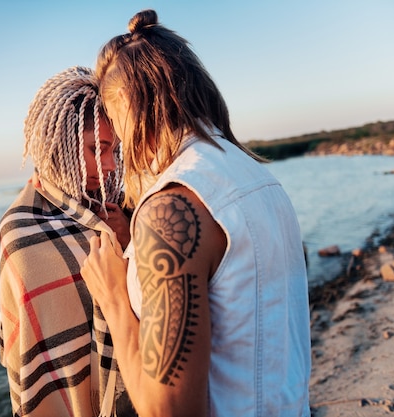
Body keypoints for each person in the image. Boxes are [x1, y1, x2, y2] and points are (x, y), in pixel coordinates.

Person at [81, 9, 311, 416]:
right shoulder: (257, 177)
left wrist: (114, 295)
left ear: (128, 108)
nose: (118, 150)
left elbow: (167, 410)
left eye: (115, 126)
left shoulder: (170, 209)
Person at [0, 66, 136, 417]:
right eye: (97, 149)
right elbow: (27, 349)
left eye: (114, 152)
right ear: (61, 145)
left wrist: (129, 241)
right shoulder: (21, 231)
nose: (108, 165)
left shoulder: (124, 205)